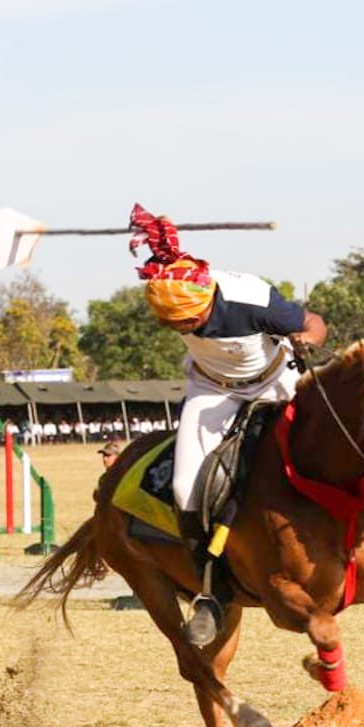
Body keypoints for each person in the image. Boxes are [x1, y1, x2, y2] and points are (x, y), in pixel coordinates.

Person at [129, 204, 327, 648]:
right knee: (184, 488)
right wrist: (159, 235)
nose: (181, 327)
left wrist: (307, 340)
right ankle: (211, 593)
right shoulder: (175, 287)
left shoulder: (251, 298)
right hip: (212, 388)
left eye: (187, 322)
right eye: (174, 324)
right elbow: (164, 254)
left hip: (276, 382)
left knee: (323, 445)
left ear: (206, 302)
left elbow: (314, 323)